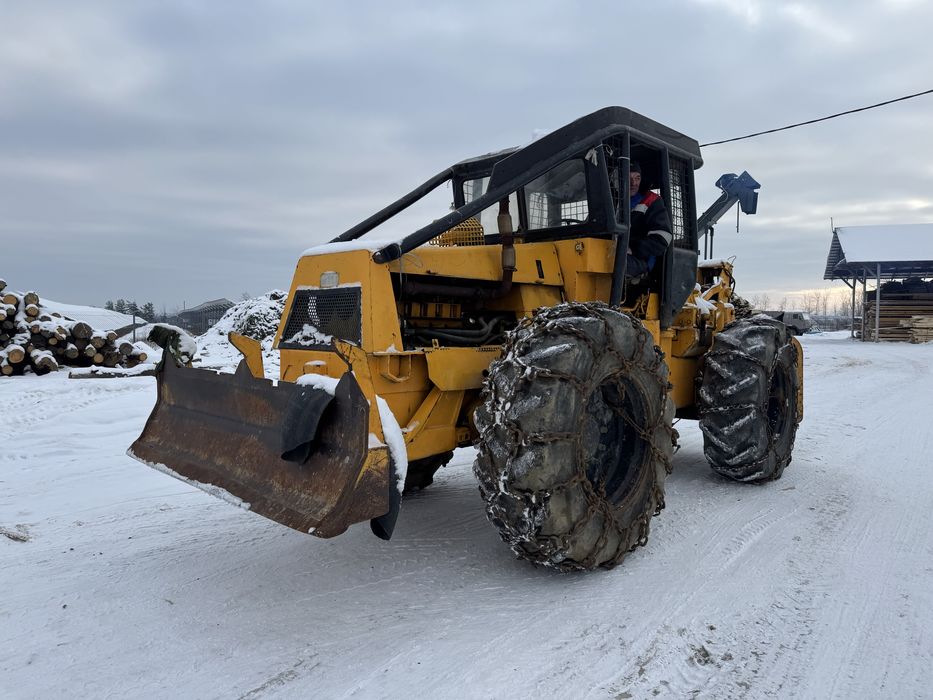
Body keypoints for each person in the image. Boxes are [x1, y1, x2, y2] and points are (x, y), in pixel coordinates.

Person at [626, 160, 673, 278]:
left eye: (637, 178)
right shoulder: (616, 202)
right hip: (618, 254)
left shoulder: (651, 201)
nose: (633, 183)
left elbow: (663, 238)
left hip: (641, 260)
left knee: (610, 263)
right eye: (629, 177)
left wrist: (633, 248)